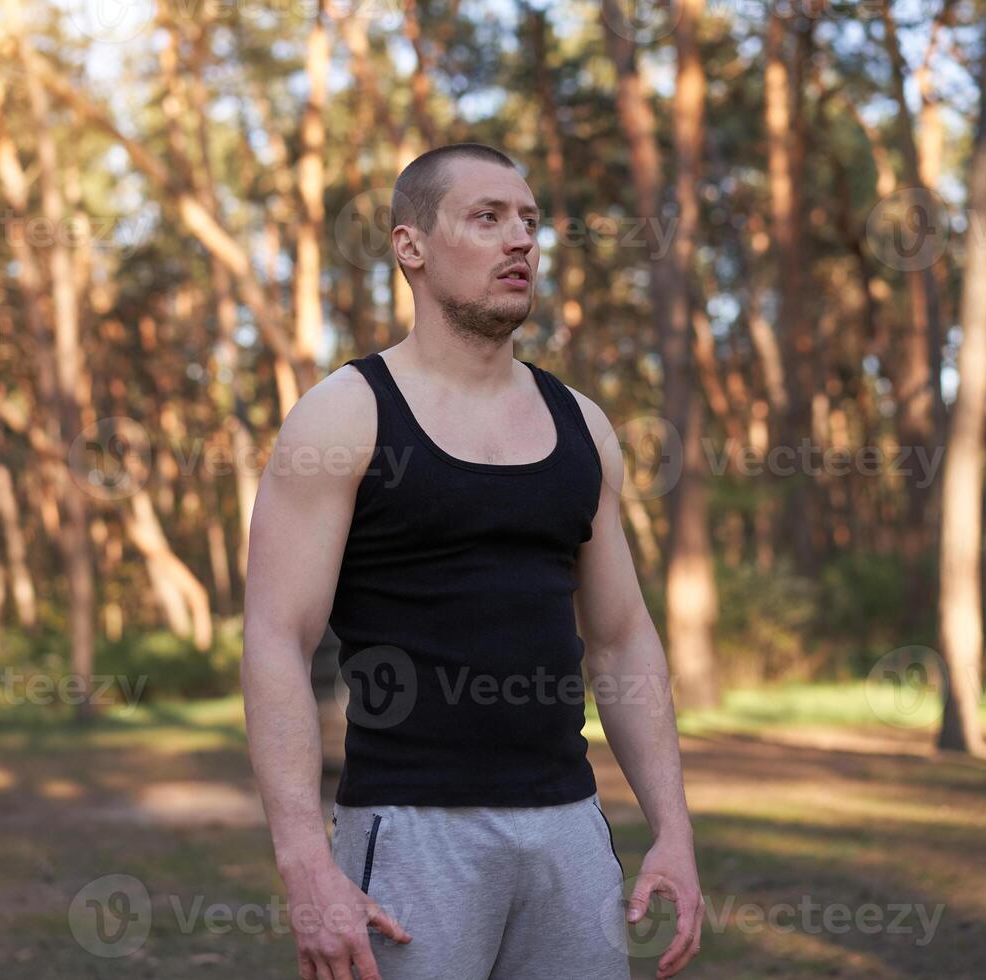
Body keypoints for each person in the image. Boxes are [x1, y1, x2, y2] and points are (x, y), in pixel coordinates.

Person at [243, 142, 704, 980]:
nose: (521, 240)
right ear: (410, 246)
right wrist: (306, 864)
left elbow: (621, 637)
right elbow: (277, 636)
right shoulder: (343, 418)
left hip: (569, 829)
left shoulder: (583, 426)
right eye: (487, 218)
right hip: (411, 834)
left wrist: (672, 827)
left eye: (529, 221)